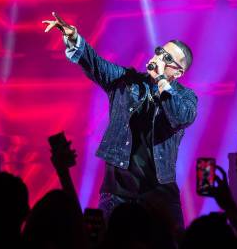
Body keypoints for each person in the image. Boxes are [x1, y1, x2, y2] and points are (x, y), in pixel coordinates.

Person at [43, 12, 197, 229]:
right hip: (118, 189)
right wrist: (73, 38)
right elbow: (96, 64)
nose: (159, 58)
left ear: (178, 73)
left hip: (159, 190)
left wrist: (161, 79)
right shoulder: (126, 81)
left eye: (168, 59)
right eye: (161, 52)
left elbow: (180, 116)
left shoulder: (186, 98)